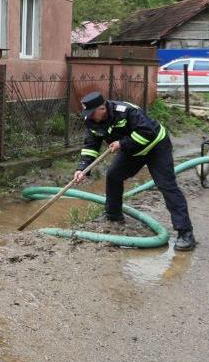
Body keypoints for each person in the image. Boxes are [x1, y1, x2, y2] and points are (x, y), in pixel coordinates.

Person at [73, 91, 196, 251]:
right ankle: (113, 215)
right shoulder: (91, 120)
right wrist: (82, 168)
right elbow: (91, 144)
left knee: (166, 186)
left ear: (102, 108)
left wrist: (122, 144)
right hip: (131, 150)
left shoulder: (126, 111)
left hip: (155, 147)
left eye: (91, 113)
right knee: (113, 175)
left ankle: (185, 233)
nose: (89, 117)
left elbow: (147, 133)